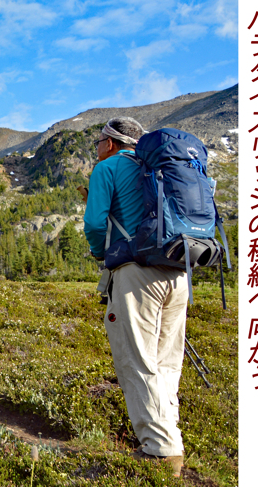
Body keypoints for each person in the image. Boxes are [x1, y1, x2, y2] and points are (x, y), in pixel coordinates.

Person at [82, 117, 186, 477]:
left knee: (136, 360)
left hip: (135, 273)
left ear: (111, 143)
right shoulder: (159, 167)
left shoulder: (107, 168)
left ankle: (160, 450)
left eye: (98, 141)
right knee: (166, 361)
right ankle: (168, 434)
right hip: (178, 271)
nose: (96, 147)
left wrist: (100, 253)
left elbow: (95, 224)